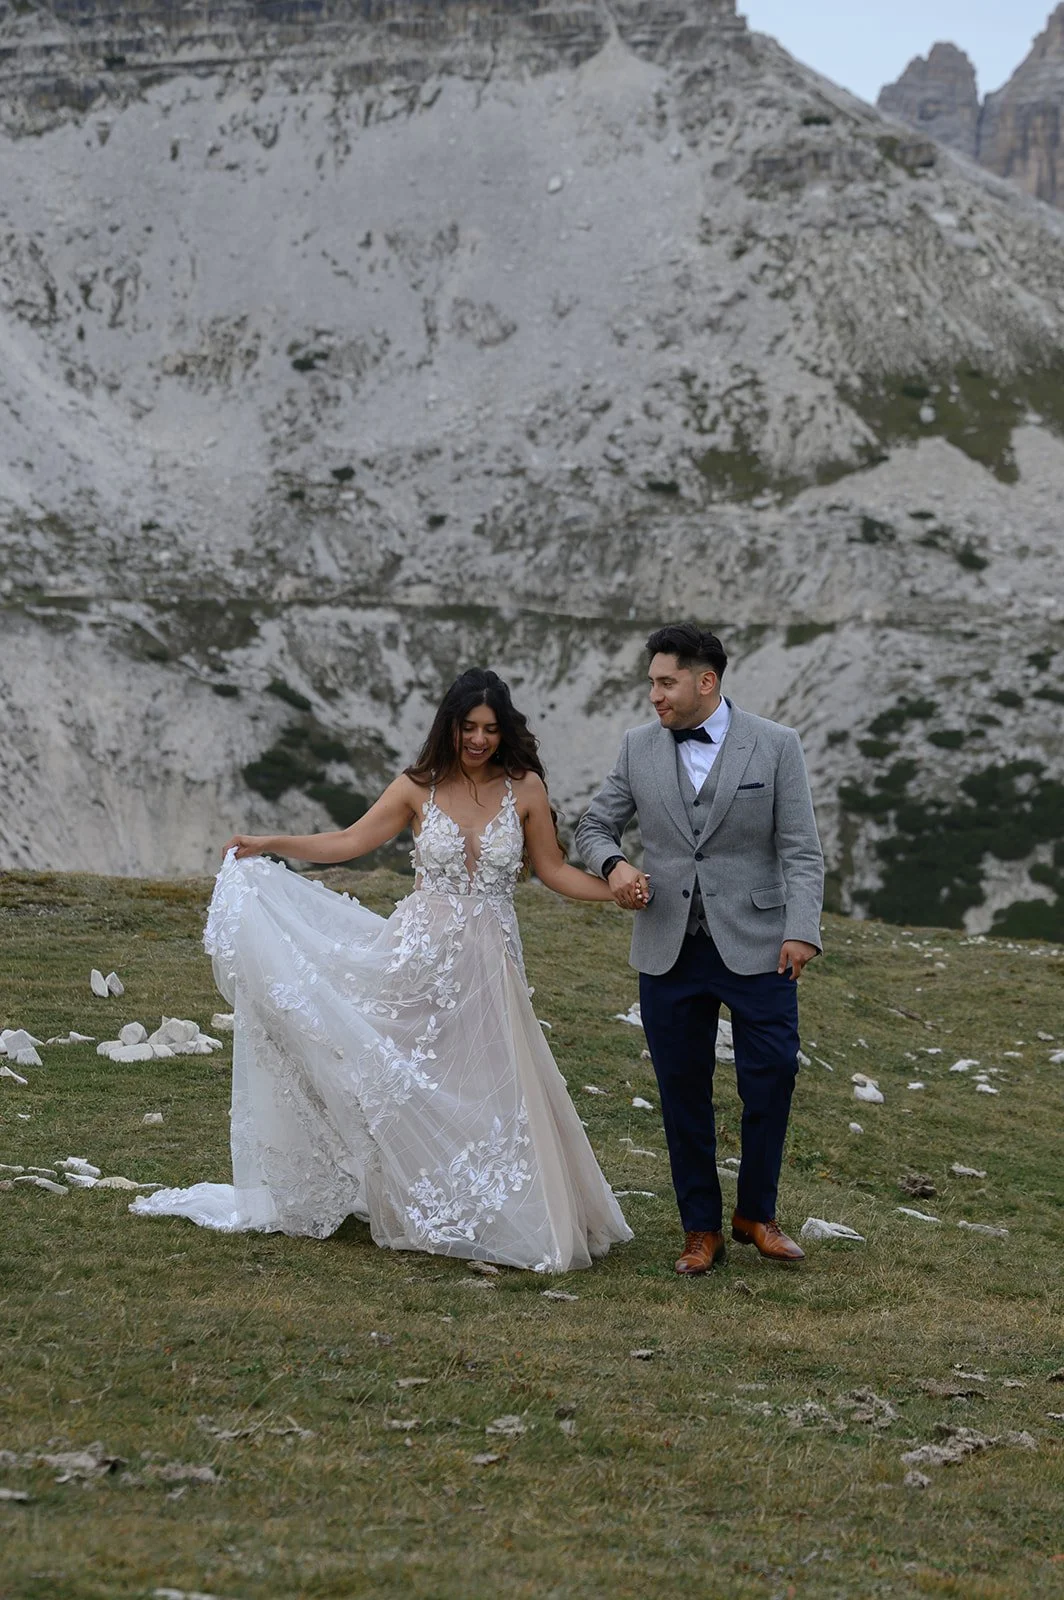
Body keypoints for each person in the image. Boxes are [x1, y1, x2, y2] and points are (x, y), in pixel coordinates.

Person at [132, 668, 633, 1273]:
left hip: (489, 962)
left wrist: (615, 893)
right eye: (468, 728)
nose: (478, 740)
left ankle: (493, 1209)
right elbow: (349, 842)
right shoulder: (417, 786)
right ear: (449, 725)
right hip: (418, 958)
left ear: (506, 732)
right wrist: (271, 843)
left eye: (491, 730)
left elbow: (552, 870)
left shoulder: (524, 789)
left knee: (491, 1084)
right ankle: (421, 1197)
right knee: (405, 1078)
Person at [575, 624, 823, 1274]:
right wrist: (614, 868)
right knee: (682, 1089)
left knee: (771, 1076)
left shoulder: (775, 746)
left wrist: (802, 929)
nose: (653, 694)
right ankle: (699, 1229)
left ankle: (756, 1214)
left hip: (762, 945)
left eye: (666, 681)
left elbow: (800, 847)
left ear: (705, 681)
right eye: (652, 681)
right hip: (668, 948)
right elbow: (594, 824)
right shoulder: (637, 748)